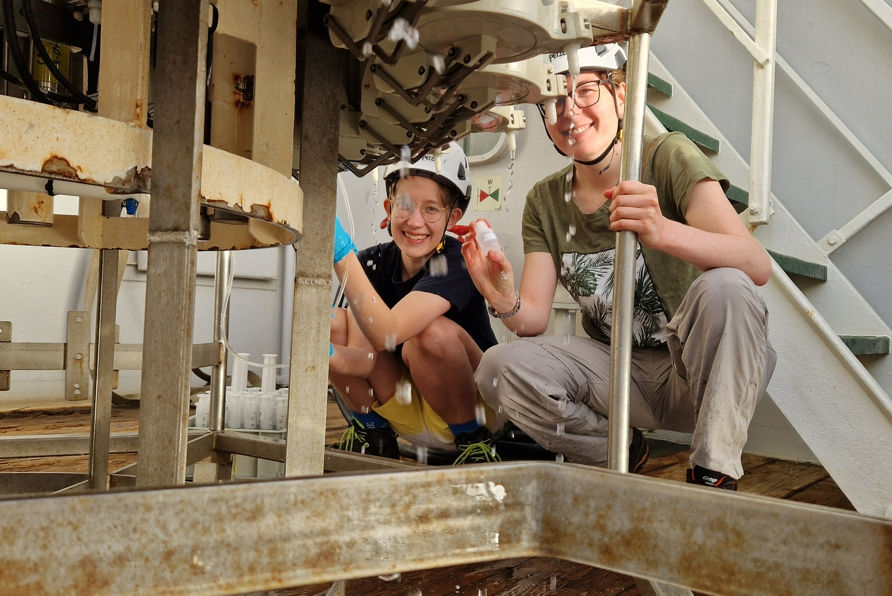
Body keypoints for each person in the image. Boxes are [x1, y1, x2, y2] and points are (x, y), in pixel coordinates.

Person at [461, 44, 776, 489]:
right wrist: (502, 298)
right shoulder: (546, 200)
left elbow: (755, 265)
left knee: (727, 287)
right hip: (616, 377)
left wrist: (662, 230)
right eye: (552, 103)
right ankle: (617, 447)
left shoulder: (668, 156)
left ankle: (712, 472)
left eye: (586, 91)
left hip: (694, 372)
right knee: (497, 366)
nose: (569, 112)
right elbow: (530, 320)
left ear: (622, 96)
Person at [330, 143, 502, 464]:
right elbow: (364, 359)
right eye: (405, 205)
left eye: (432, 209)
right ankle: (374, 434)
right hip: (407, 411)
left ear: (452, 218)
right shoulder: (373, 263)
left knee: (427, 334)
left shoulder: (457, 261)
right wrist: (322, 351)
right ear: (388, 208)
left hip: (475, 411)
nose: (415, 221)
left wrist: (340, 253)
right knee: (332, 324)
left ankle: (475, 446)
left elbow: (389, 334)